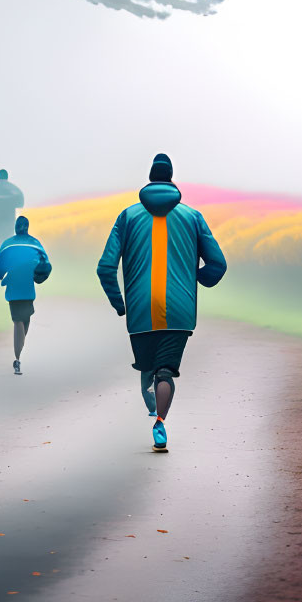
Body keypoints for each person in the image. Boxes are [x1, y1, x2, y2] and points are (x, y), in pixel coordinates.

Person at [95, 153, 227, 452]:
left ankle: (152, 407)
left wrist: (119, 303)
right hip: (179, 309)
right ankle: (160, 425)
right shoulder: (192, 217)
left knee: (146, 367)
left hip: (140, 309)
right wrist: (195, 278)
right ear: (171, 178)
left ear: (150, 178)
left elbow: (105, 267)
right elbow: (217, 264)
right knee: (165, 370)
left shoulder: (127, 216)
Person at [0, 215, 51, 375]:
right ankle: (17, 358)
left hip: (14, 287)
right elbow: (46, 265)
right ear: (27, 226)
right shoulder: (35, 244)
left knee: (21, 320)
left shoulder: (7, 245)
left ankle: (18, 356)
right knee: (21, 320)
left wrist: (4, 274)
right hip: (27, 288)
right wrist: (37, 276)